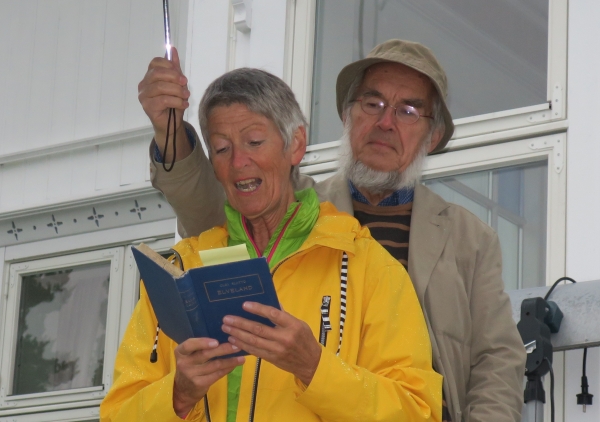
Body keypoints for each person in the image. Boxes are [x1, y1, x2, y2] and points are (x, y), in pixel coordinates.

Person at [143, 40, 527, 422]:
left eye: (408, 111)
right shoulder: (294, 206)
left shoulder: (471, 239)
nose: (386, 122)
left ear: (433, 135)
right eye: (372, 104)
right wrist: (170, 132)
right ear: (347, 115)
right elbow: (213, 209)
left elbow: (497, 358)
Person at [101, 68, 442, 421]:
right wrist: (177, 395)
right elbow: (116, 415)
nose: (238, 162)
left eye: (254, 142)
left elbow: (418, 413)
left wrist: (315, 368)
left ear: (296, 145)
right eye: (222, 148)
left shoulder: (368, 265)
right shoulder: (182, 270)